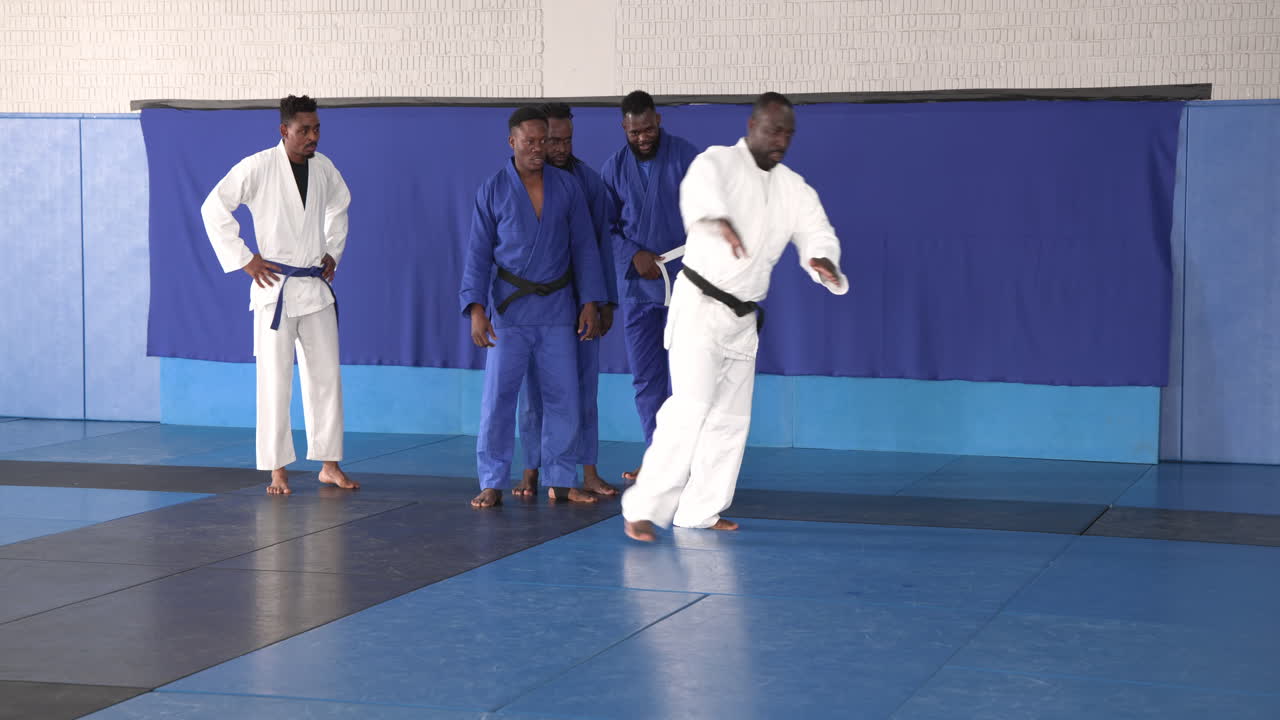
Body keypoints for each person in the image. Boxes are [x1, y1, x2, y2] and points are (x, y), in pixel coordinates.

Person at [621, 92, 848, 541]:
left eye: (787, 133)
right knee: (689, 408)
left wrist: (823, 260)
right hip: (700, 307)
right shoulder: (717, 162)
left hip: (743, 318)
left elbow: (816, 230)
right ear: (751, 127)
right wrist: (715, 218)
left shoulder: (793, 188)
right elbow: (697, 191)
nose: (780, 140)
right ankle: (643, 508)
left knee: (730, 422)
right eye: (772, 130)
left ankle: (699, 511)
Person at [201, 94, 358, 495]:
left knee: (326, 378)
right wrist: (244, 259)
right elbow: (213, 208)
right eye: (304, 130)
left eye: (317, 129)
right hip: (275, 289)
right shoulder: (259, 166)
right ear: (284, 130)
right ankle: (277, 470)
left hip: (315, 288)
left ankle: (329, 464)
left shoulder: (324, 170)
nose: (312, 137)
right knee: (274, 380)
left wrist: (331, 251)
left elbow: (340, 206)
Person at [461, 106, 609, 509]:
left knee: (564, 396)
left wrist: (589, 302)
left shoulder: (568, 187)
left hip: (559, 307)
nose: (539, 149)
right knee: (499, 398)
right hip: (510, 311)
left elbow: (585, 248)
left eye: (544, 141)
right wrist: (476, 308)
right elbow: (478, 254)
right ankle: (492, 480)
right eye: (530, 142)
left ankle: (561, 479)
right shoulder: (492, 189)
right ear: (512, 142)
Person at [514, 102, 621, 500]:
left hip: (583, 300)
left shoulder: (589, 182)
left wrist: (603, 300)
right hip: (535, 306)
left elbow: (599, 247)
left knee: (583, 389)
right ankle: (531, 469)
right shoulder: (519, 184)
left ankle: (587, 470)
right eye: (550, 140)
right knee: (534, 392)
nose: (558, 148)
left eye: (565, 140)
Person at [599, 90, 699, 482]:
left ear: (658, 120)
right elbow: (605, 228)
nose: (642, 138)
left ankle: (688, 462)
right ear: (623, 128)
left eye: (647, 129)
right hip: (639, 285)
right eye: (633, 132)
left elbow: (709, 213)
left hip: (685, 278)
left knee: (687, 376)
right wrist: (632, 253)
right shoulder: (613, 169)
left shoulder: (687, 156)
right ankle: (657, 458)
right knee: (647, 376)